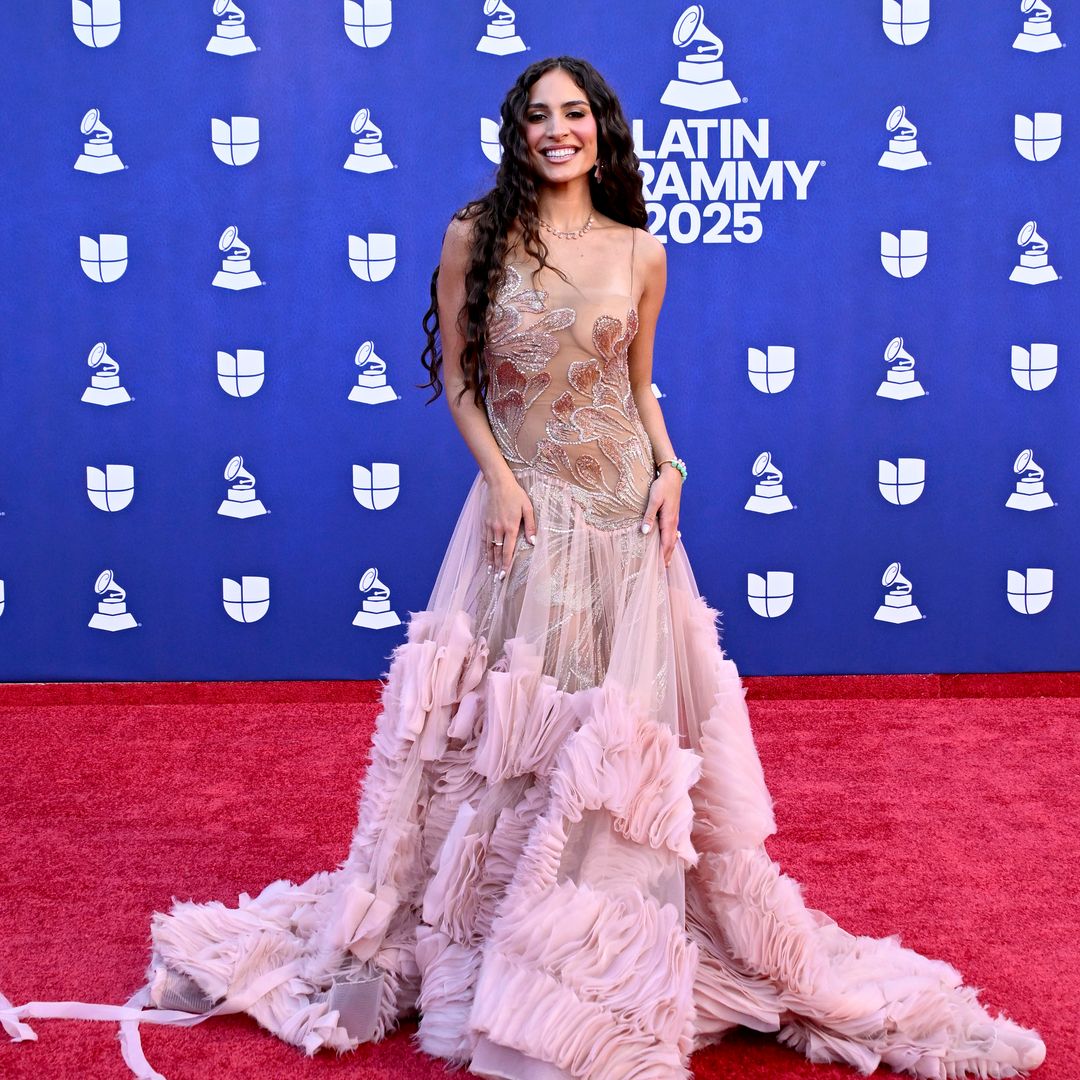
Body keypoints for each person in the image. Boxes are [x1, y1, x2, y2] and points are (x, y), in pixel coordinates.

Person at [1, 55, 1047, 1080]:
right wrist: (502, 482)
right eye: (540, 114)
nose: (559, 130)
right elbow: (458, 379)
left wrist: (672, 465)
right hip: (525, 519)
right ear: (520, 130)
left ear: (603, 129)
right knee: (505, 728)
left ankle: (599, 937)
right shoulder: (474, 237)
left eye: (576, 113)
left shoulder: (640, 250)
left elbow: (639, 387)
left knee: (617, 736)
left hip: (626, 519)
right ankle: (493, 929)